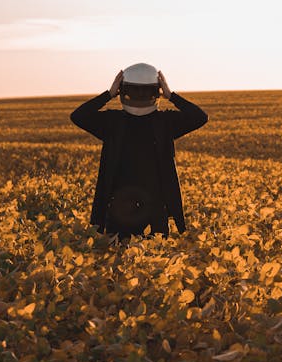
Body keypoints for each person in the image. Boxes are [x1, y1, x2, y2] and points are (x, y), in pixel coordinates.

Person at [70, 63, 208, 237]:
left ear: (122, 90)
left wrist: (109, 94)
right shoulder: (165, 122)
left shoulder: (112, 122)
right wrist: (170, 95)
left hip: (121, 207)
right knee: (156, 259)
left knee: (117, 259)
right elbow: (199, 117)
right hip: (151, 209)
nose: (140, 95)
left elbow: (79, 116)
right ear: (157, 92)